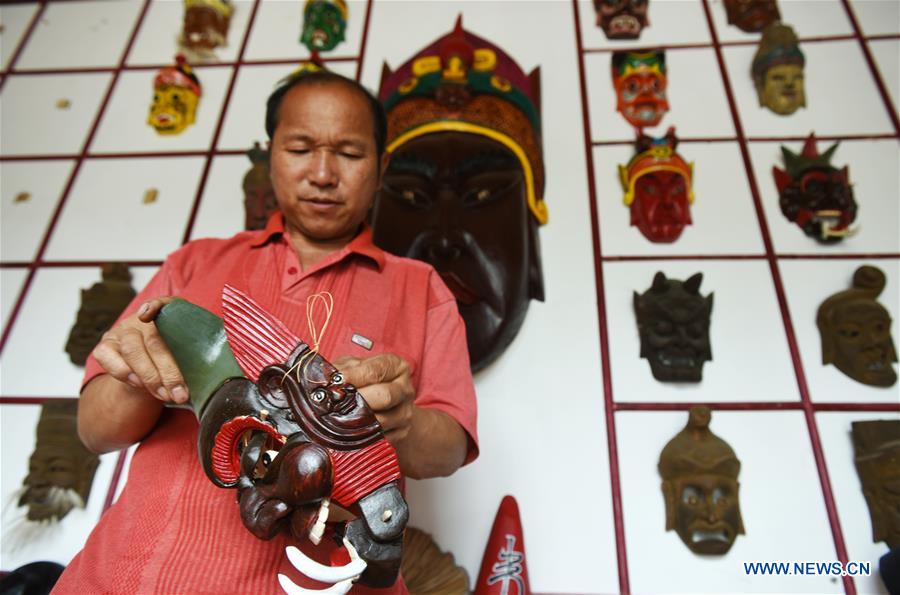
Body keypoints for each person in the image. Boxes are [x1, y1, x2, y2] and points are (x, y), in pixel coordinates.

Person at [53, 70, 478, 594]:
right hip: (131, 575)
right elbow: (95, 431)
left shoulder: (420, 286)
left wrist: (402, 423)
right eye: (300, 147)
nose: (322, 174)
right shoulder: (195, 263)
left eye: (348, 153)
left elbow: (453, 447)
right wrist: (144, 373)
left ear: (381, 165)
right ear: (270, 153)